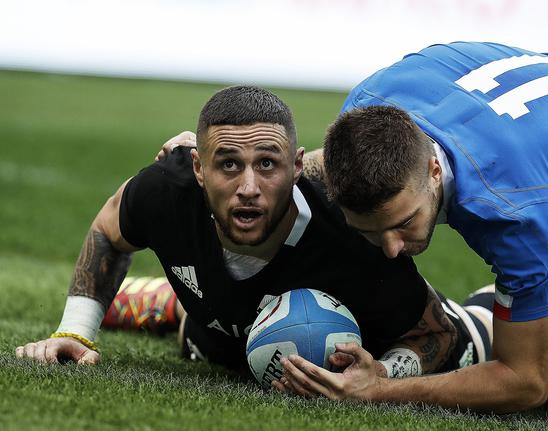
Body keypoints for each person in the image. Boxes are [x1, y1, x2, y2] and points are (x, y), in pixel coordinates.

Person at [280, 41, 548, 427]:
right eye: (369, 231)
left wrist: (378, 390)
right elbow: (311, 169)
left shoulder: (511, 212)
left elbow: (525, 381)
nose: (392, 249)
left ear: (433, 171)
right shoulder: (363, 118)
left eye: (403, 223)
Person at [14, 85, 491, 381]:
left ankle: (166, 301)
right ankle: (170, 304)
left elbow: (437, 333)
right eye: (227, 164)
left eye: (267, 164)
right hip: (221, 332)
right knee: (205, 327)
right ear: (199, 167)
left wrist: (384, 375)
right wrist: (76, 332)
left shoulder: (352, 235)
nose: (248, 188)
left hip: (409, 336)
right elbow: (107, 231)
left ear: (298, 166)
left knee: (480, 337)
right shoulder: (169, 189)